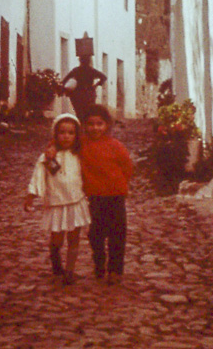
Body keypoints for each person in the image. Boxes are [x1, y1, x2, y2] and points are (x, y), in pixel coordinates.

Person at [24, 114, 90, 285]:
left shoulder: (80, 155)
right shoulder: (48, 157)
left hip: (76, 202)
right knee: (57, 239)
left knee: (74, 238)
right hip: (56, 203)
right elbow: (38, 176)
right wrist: (30, 196)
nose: (66, 136)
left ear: (77, 135)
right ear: (55, 134)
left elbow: (90, 174)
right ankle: (56, 262)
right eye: (62, 132)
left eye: (71, 133)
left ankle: (70, 271)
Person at [80, 104, 133, 286]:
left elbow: (127, 168)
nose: (95, 128)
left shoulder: (115, 146)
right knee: (96, 233)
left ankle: (115, 269)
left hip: (115, 196)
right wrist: (52, 149)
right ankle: (99, 263)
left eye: (99, 124)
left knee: (117, 234)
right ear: (85, 126)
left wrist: (121, 185)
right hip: (94, 197)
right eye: (91, 124)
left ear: (107, 125)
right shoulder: (82, 144)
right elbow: (60, 142)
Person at [61, 54, 107, 123]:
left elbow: (64, 81)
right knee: (88, 114)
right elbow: (104, 77)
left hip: (77, 94)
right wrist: (96, 85)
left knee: (79, 114)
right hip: (89, 94)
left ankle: (80, 128)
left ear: (80, 61)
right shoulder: (92, 70)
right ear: (89, 61)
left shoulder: (76, 70)